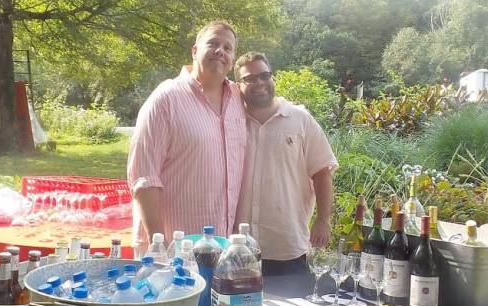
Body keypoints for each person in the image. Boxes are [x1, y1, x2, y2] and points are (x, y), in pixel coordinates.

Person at [127, 21, 247, 256]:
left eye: (227, 47)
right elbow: (144, 177)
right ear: (194, 50)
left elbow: (267, 105)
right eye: (213, 43)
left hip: (220, 248)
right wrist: (158, 247)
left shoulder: (238, 99)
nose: (220, 51)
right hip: (173, 250)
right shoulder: (166, 99)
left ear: (232, 58)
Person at [233, 52, 337, 276]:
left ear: (273, 78)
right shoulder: (232, 122)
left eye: (264, 75)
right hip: (239, 250)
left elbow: (322, 172)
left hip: (287, 247)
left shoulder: (300, 119)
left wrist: (323, 220)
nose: (259, 82)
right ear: (237, 85)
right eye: (250, 78)